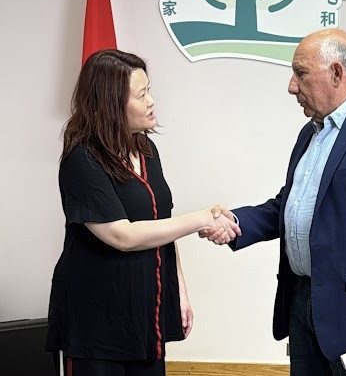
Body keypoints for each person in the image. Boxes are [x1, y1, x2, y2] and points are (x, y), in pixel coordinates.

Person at [202, 29, 346, 376]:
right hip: (304, 305)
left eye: (301, 73)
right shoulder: (311, 132)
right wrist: (235, 222)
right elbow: (292, 206)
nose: (292, 86)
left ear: (336, 73)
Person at [45, 49, 240, 376]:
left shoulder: (146, 149)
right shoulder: (82, 159)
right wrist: (203, 218)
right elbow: (122, 235)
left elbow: (163, 224)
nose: (152, 101)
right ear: (111, 104)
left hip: (146, 315)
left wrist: (179, 290)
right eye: (141, 95)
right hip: (95, 321)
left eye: (149, 90)